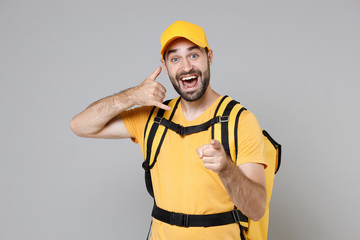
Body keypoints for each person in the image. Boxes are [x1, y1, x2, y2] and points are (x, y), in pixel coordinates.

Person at [70, 20, 267, 240]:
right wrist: (133, 96)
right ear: (165, 66)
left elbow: (257, 210)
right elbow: (80, 125)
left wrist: (227, 168)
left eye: (193, 55)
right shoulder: (152, 117)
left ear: (209, 57)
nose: (186, 67)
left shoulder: (240, 120)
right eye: (175, 59)